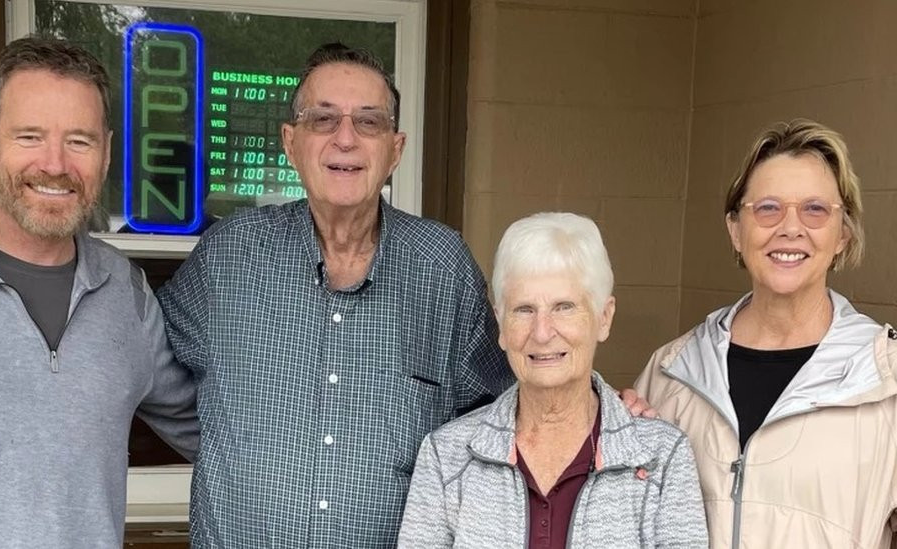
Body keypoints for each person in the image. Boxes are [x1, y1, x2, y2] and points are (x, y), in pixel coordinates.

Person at [157, 42, 513, 548]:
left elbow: (504, 413)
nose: (345, 139)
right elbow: (144, 358)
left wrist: (603, 411)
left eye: (368, 122)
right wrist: (220, 440)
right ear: (290, 141)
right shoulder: (231, 257)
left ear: (396, 148)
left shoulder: (443, 267)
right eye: (322, 119)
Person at [0, 37, 199, 548]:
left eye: (80, 140)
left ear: (107, 152)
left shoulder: (127, 296)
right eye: (29, 136)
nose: (55, 164)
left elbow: (217, 431)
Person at [635, 119, 897, 548]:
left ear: (843, 235)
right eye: (768, 208)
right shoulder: (671, 374)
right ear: (736, 230)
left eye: (815, 209)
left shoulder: (884, 380)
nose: (790, 227)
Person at [398, 212, 708, 548]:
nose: (542, 332)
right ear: (500, 325)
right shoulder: (448, 456)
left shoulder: (661, 456)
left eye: (564, 307)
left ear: (604, 318)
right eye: (524, 310)